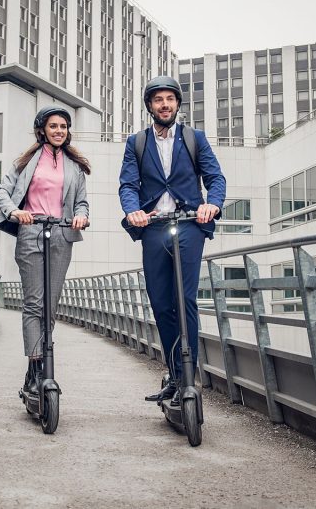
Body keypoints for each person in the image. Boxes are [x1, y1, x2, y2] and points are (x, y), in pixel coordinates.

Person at [118, 76, 226, 404]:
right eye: (158, 100)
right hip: (153, 227)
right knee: (162, 304)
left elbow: (215, 177)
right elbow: (128, 185)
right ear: (149, 105)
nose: (164, 104)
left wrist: (213, 204)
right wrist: (133, 211)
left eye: (170, 99)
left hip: (190, 225)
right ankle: (175, 375)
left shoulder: (195, 139)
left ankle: (189, 378)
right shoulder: (136, 142)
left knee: (185, 300)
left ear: (178, 103)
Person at [0, 105, 90, 394]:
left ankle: (38, 366)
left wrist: (81, 216)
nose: (59, 130)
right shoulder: (26, 162)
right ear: (42, 130)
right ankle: (37, 370)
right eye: (54, 126)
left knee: (50, 307)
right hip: (31, 232)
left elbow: (82, 202)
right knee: (34, 303)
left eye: (63, 126)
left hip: (62, 234)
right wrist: (14, 212)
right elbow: (1, 190)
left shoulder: (75, 167)